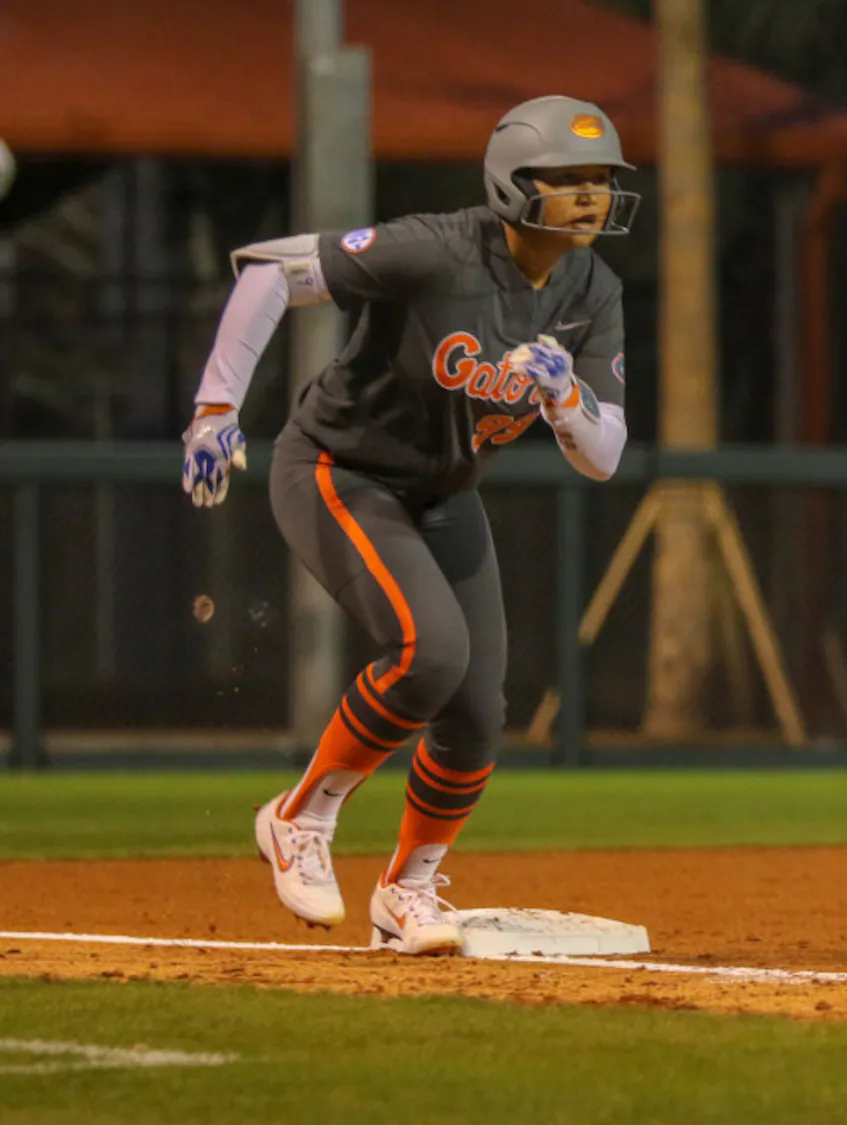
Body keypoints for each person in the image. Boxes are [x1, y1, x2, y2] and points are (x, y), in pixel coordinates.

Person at [181, 95, 637, 955]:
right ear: (513, 182)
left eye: (602, 180)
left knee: (476, 711)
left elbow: (603, 455)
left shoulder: (593, 288)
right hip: (338, 470)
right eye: (568, 178)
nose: (591, 195)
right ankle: (299, 817)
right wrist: (215, 408)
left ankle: (407, 892)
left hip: (443, 494)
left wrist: (565, 396)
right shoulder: (437, 248)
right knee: (430, 654)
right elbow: (271, 271)